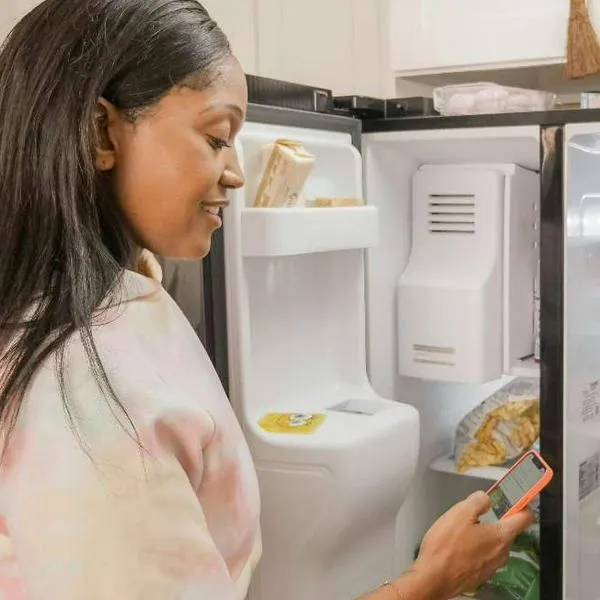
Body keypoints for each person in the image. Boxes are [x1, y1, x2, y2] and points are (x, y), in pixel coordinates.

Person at [0, 1, 534, 599]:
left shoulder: (129, 297)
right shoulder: (84, 394)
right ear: (102, 131)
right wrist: (431, 581)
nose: (237, 173)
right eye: (217, 137)